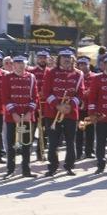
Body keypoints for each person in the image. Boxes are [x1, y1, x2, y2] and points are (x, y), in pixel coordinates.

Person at [43, 48, 85, 177]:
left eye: (69, 57)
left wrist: (70, 105)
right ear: (59, 59)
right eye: (64, 57)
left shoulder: (79, 74)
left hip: (70, 112)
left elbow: (80, 93)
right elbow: (46, 92)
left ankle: (69, 166)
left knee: (70, 142)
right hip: (52, 112)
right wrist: (57, 105)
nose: (66, 59)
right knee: (53, 142)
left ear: (73, 59)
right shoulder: (51, 72)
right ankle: (52, 167)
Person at [2, 55, 39, 179]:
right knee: (11, 144)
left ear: (26, 65)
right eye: (17, 63)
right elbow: (5, 97)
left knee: (26, 144)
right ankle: (10, 170)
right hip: (12, 117)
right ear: (13, 65)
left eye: (22, 63)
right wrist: (13, 113)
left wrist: (29, 113)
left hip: (26, 117)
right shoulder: (7, 77)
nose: (20, 66)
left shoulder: (31, 77)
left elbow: (35, 97)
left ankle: (26, 170)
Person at [28, 49, 50, 162]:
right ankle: (27, 153)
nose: (42, 60)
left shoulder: (51, 72)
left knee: (44, 131)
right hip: (34, 106)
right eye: (40, 58)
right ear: (37, 59)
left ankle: (40, 153)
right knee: (31, 130)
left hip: (47, 106)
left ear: (48, 59)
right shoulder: (31, 71)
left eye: (44, 58)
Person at [75, 56, 96, 160]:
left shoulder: (95, 77)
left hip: (90, 108)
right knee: (79, 130)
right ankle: (78, 152)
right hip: (80, 108)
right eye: (80, 65)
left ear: (89, 65)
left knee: (90, 131)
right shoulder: (77, 76)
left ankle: (89, 151)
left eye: (84, 64)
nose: (82, 67)